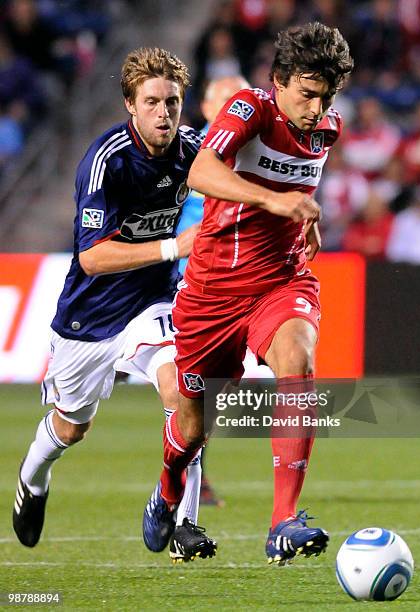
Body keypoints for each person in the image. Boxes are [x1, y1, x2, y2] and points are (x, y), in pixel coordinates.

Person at [144, 22, 354, 565]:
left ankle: (283, 520)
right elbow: (202, 170)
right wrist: (275, 202)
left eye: (326, 96)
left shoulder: (328, 128)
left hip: (281, 281)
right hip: (213, 290)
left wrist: (305, 215)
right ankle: (168, 489)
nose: (316, 106)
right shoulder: (249, 108)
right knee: (192, 424)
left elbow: (299, 185)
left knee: (298, 361)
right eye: (306, 93)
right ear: (280, 81)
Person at [12, 46, 216, 562]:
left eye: (172, 101)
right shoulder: (106, 162)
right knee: (70, 428)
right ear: (130, 104)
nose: (164, 112)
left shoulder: (193, 151)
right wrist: (175, 245)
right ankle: (32, 481)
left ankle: (182, 517)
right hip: (88, 317)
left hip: (152, 303)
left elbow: (239, 179)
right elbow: (93, 257)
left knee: (183, 387)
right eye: (151, 102)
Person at [177, 75, 249, 508]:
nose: (231, 109)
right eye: (223, 100)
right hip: (188, 277)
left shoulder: (257, 150)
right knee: (185, 385)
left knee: (217, 387)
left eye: (239, 100)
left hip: (238, 279)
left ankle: (194, 464)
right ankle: (186, 472)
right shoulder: (190, 152)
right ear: (206, 108)